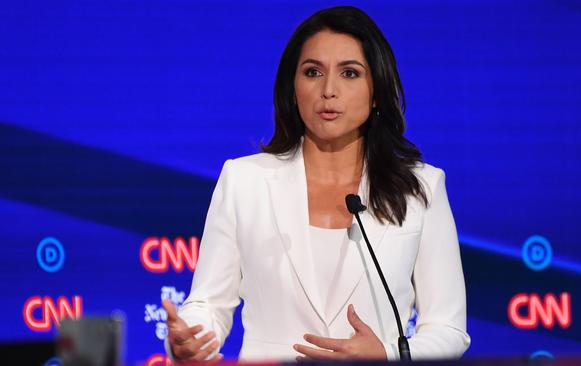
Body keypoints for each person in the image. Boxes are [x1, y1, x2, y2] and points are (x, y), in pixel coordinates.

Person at [163, 5, 470, 363]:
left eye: (350, 73)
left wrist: (387, 354)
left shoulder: (422, 187)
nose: (328, 90)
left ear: (376, 92)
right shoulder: (244, 180)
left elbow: (448, 331)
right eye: (312, 72)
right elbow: (208, 303)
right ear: (293, 88)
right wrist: (191, 339)